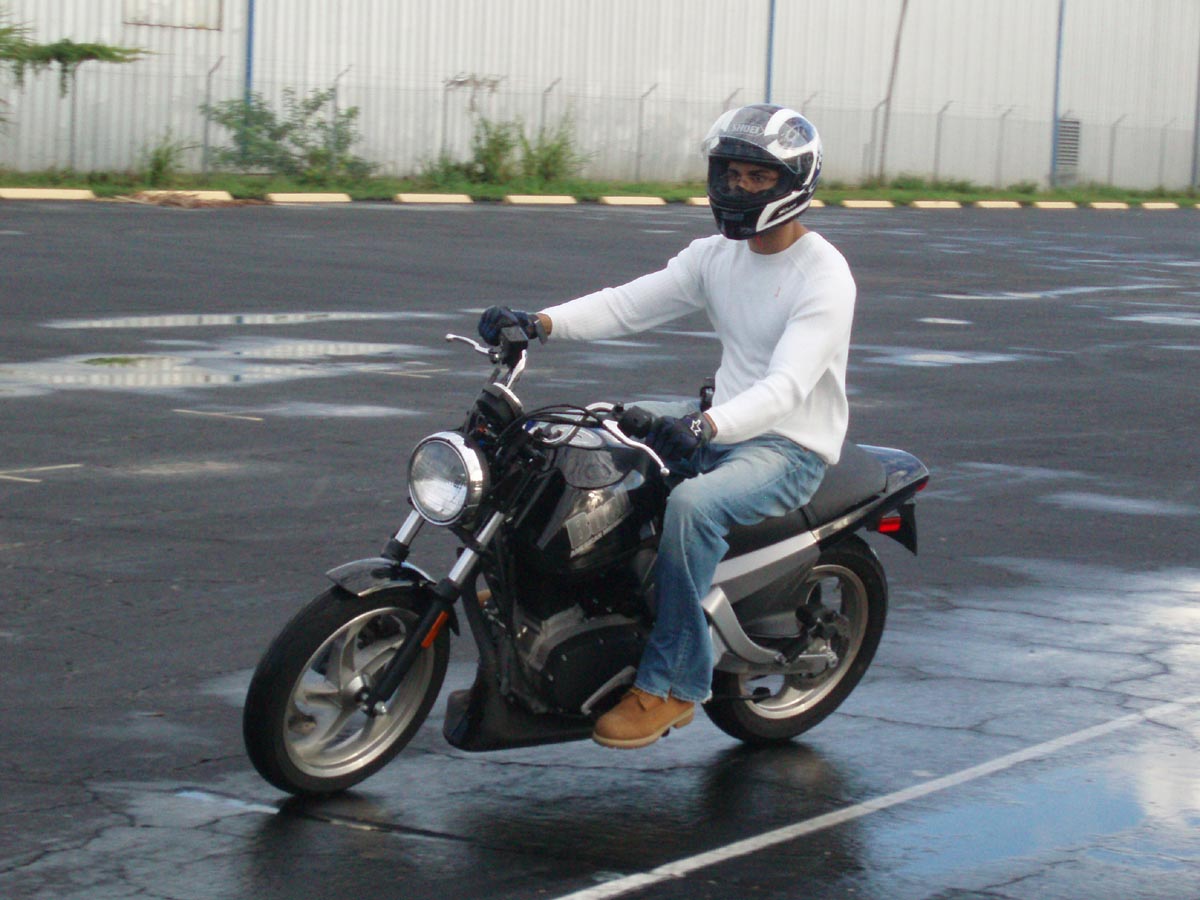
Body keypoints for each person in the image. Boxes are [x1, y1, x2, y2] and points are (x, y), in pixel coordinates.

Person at [477, 104, 856, 749]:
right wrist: (538, 323)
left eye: (758, 177)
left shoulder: (823, 276)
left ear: (794, 184)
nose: (738, 188)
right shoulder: (716, 256)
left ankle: (675, 684)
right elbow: (629, 304)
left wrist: (706, 426)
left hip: (786, 447)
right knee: (590, 471)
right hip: (721, 426)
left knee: (691, 507)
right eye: (731, 174)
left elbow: (787, 387)